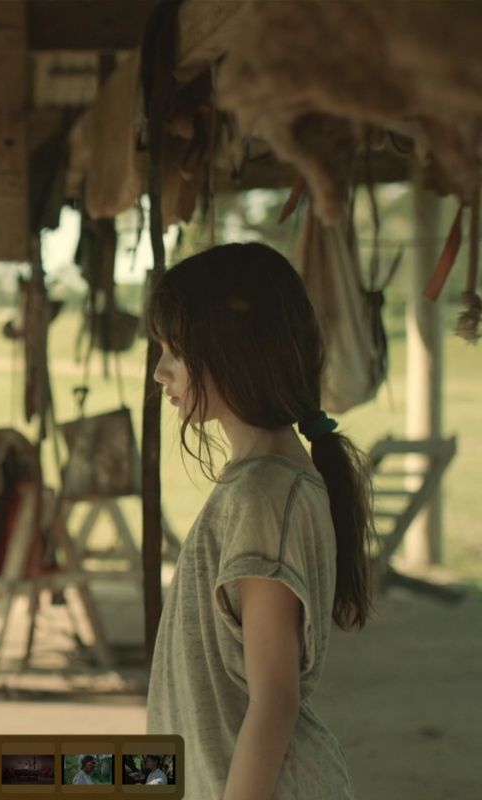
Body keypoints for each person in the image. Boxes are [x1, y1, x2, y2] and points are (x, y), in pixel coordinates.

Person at [145, 243, 370, 800]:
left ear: (233, 351)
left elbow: (275, 702)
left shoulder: (265, 496)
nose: (160, 372)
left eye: (175, 351)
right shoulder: (257, 484)